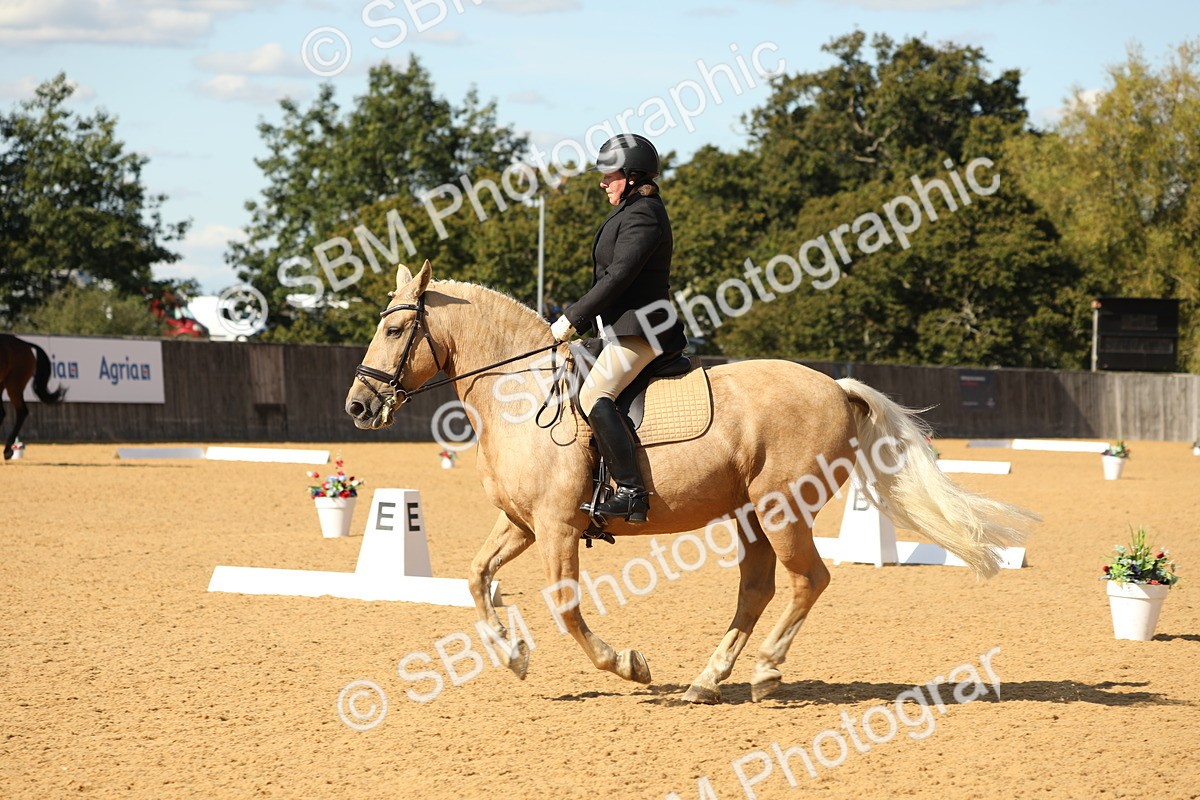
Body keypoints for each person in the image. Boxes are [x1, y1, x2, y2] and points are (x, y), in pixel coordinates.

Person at [549, 133, 687, 524]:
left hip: (643, 329)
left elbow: (619, 275)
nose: (602, 182)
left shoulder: (645, 213)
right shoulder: (630, 210)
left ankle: (631, 492)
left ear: (630, 175)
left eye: (609, 175)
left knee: (595, 393)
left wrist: (570, 319)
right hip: (620, 328)